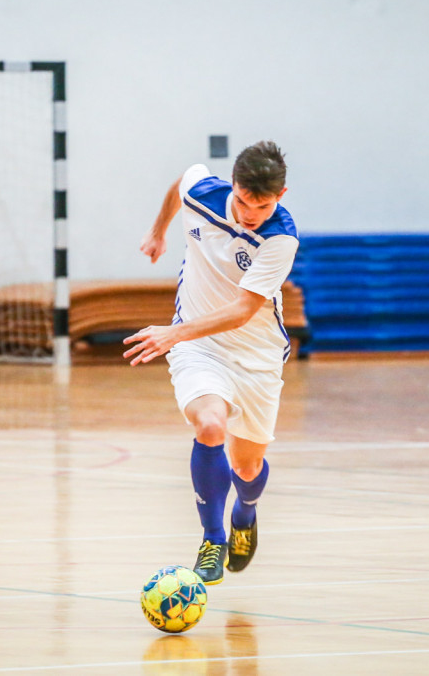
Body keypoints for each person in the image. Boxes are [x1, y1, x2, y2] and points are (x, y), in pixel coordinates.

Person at [124, 141, 297, 585]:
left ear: (280, 195)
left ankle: (246, 511)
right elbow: (177, 187)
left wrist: (170, 334)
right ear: (233, 185)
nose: (250, 211)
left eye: (262, 204)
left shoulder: (279, 238)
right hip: (200, 347)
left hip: (255, 355)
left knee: (247, 467)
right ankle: (212, 539)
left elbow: (242, 311)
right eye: (243, 200)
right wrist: (158, 231)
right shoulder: (202, 191)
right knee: (211, 427)